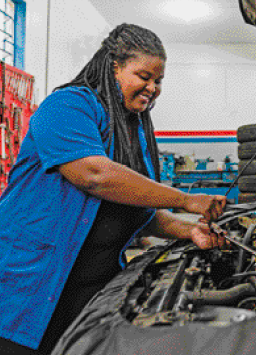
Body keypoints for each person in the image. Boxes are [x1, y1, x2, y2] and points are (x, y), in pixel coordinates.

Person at [0, 23, 227, 355]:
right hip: (29, 286)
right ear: (113, 66)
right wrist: (187, 200)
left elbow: (137, 211)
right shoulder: (67, 106)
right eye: (143, 76)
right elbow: (94, 175)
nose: (152, 87)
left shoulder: (135, 131)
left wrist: (188, 230)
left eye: (158, 80)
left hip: (91, 292)